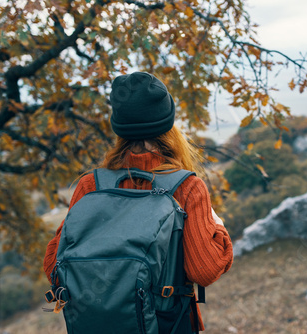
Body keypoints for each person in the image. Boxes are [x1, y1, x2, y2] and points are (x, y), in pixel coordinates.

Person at [43, 71, 234, 332]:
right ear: (168, 122)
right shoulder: (187, 187)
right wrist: (218, 227)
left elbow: (53, 264)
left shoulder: (91, 185)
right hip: (167, 324)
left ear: (118, 125)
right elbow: (204, 270)